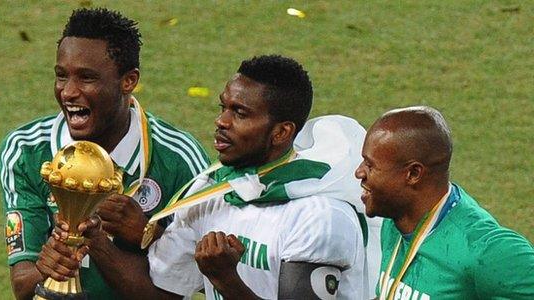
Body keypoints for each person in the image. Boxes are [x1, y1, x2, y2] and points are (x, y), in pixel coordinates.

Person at [49, 54, 370, 299]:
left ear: (282, 132)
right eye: (223, 107)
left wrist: (225, 280)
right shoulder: (211, 192)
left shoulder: (318, 215)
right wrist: (94, 239)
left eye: (240, 113)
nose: (221, 122)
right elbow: (161, 292)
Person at [0, 8, 209, 299]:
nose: (69, 92)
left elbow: (206, 278)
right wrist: (46, 268)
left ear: (128, 81)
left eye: (86, 78)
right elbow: (22, 286)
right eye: (61, 76)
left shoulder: (179, 159)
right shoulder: (25, 150)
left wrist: (149, 236)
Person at [355, 106, 534, 299]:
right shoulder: (395, 220)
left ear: (413, 173)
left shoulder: (483, 249)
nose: (359, 172)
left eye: (370, 165)